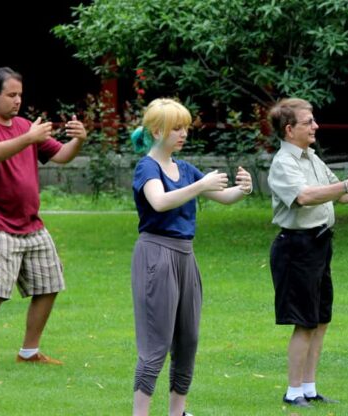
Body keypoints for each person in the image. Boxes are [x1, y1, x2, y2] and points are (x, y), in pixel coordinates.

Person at [129, 98, 253, 416]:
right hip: (156, 255)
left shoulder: (184, 168)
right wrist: (200, 186)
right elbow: (159, 201)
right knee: (156, 343)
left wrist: (244, 189)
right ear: (157, 132)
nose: (184, 133)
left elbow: (224, 196)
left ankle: (178, 412)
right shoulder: (147, 167)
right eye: (176, 128)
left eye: (185, 127)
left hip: (185, 255)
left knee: (188, 339)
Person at [0, 67, 87, 374]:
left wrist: (79, 141)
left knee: (49, 283)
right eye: (11, 95)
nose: (18, 100)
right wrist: (28, 138)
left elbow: (61, 156)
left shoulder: (26, 126)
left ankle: (29, 351)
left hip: (30, 222)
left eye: (20, 95)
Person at [267, 98, 348, 408]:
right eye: (308, 122)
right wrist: (347, 187)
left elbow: (338, 193)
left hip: (319, 245)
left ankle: (309, 388)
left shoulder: (311, 157)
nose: (316, 126)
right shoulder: (284, 162)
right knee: (304, 321)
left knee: (320, 319)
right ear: (289, 129)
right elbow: (305, 196)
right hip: (296, 247)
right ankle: (293, 392)